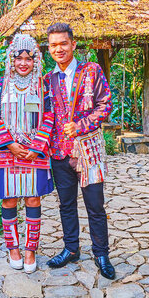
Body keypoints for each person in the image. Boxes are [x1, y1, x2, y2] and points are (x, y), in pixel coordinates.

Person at [44, 22, 116, 280]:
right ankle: (71, 249)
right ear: (48, 48)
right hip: (59, 152)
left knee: (95, 205)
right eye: (53, 45)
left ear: (73, 44)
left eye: (64, 43)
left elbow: (105, 104)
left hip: (89, 151)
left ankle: (101, 254)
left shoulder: (91, 71)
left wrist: (82, 125)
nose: (59, 49)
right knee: (66, 204)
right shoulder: (47, 80)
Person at [0, 34, 54, 274]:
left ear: (36, 60)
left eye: (28, 58)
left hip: (34, 154)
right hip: (6, 153)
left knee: (33, 199)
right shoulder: (0, 84)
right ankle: (13, 248)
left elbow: (49, 118)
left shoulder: (42, 86)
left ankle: (30, 250)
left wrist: (35, 148)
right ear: (11, 60)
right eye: (19, 58)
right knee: (9, 200)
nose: (23, 63)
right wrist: (10, 144)